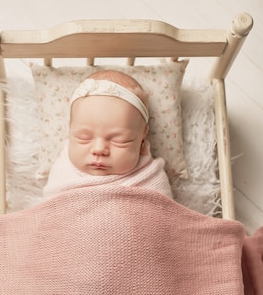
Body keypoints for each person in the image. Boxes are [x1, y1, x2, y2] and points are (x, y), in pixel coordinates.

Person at [42, 70, 173, 199]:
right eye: (84, 137)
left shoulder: (151, 179)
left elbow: (165, 215)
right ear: (70, 130)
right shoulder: (61, 174)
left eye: (120, 140)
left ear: (142, 136)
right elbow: (48, 214)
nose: (99, 149)